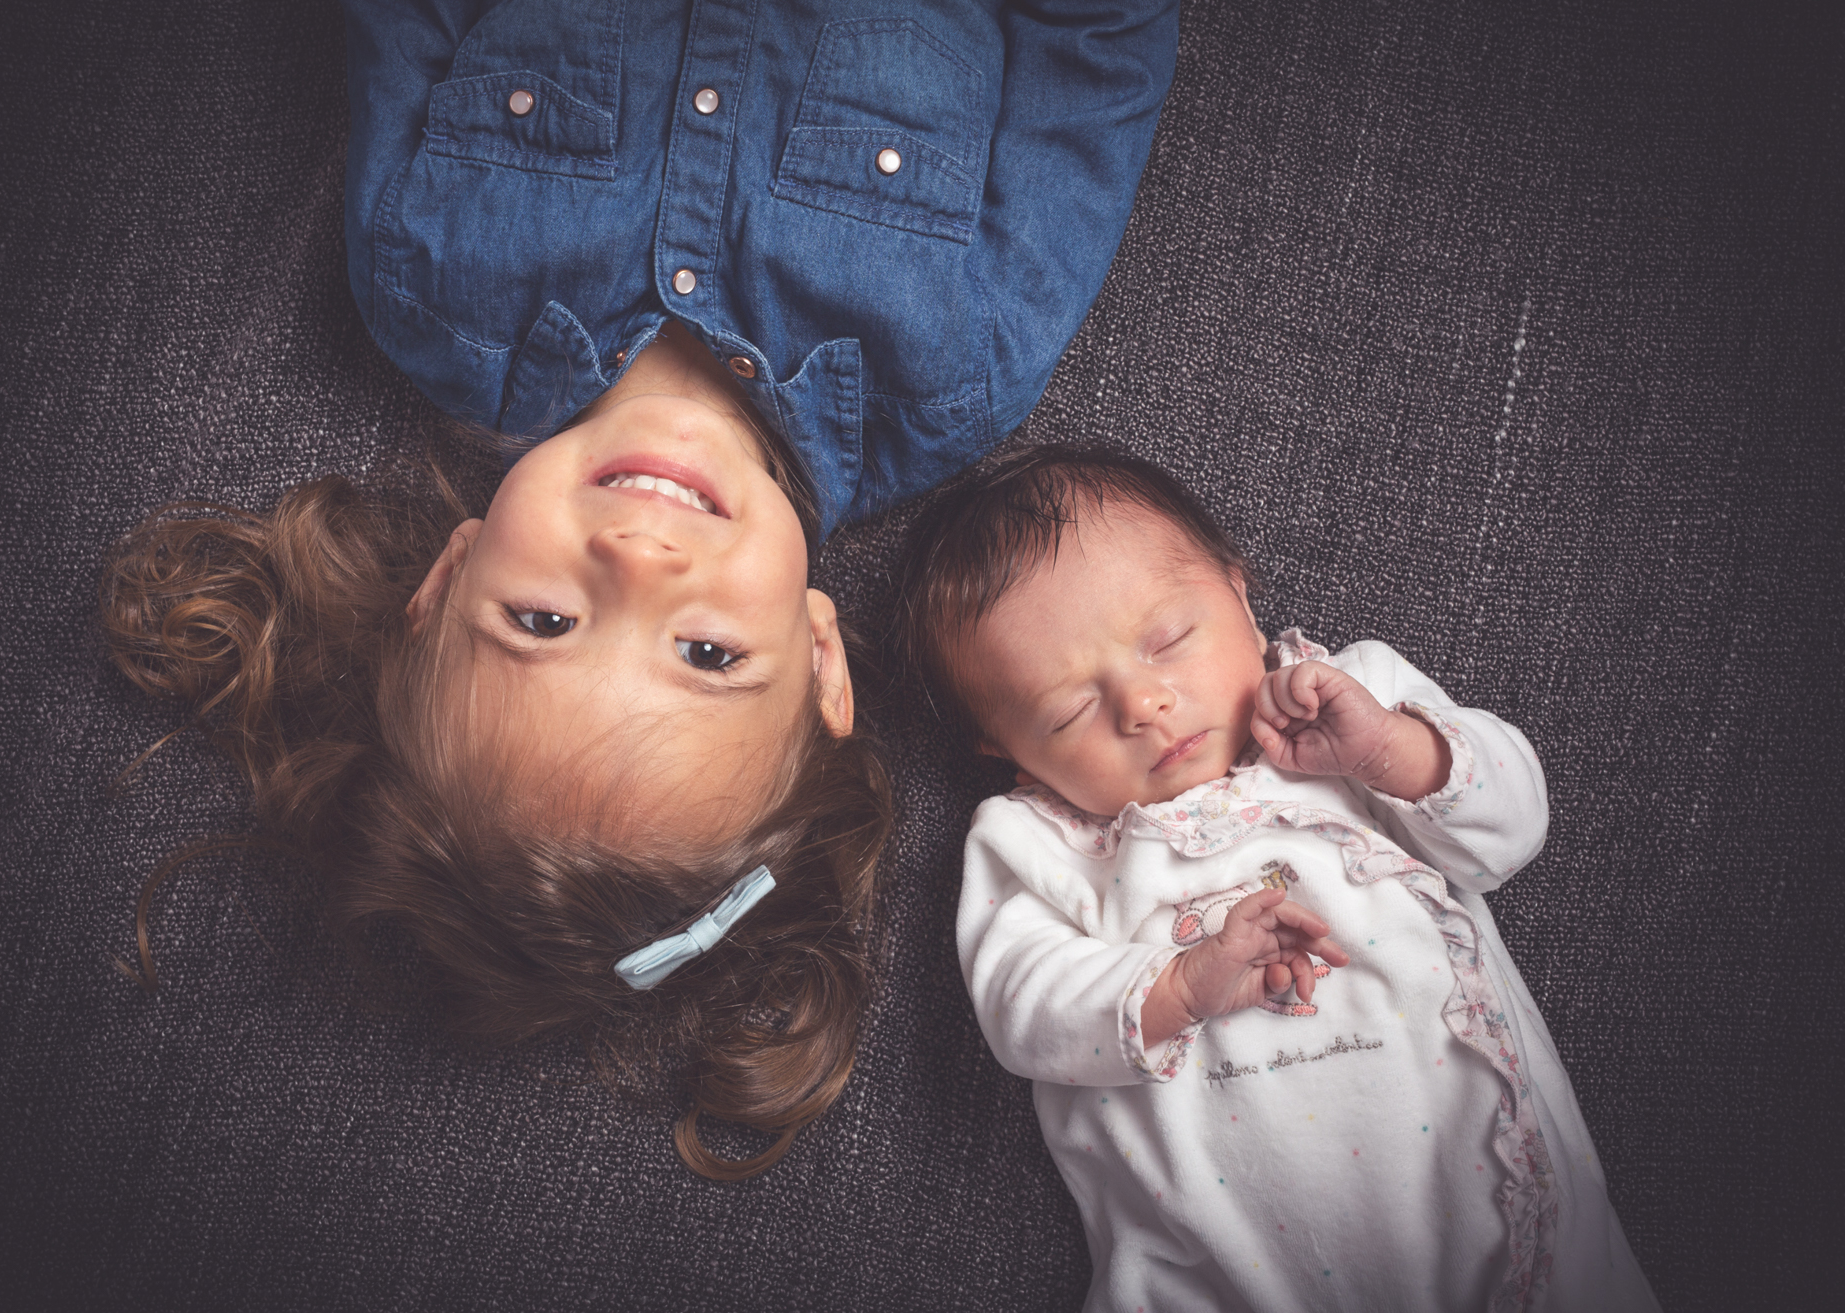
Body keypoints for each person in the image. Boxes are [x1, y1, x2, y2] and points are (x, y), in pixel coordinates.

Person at [99, 1, 1180, 1178]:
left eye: (543, 621)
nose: (638, 559)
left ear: (447, 573)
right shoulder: (952, 373)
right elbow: (1090, 64)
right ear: (824, 654)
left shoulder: (424, 287)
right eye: (708, 654)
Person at [898, 447, 1659, 1310]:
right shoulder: (1034, 841)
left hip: (1523, 1234)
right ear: (1001, 747)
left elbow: (1509, 834)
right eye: (1069, 709)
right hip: (1218, 1274)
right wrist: (1180, 983)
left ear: (1238, 589)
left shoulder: (1350, 699)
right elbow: (1021, 1012)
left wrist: (1389, 752)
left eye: (1166, 641)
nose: (1141, 705)